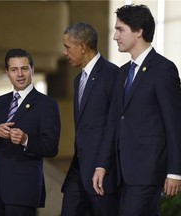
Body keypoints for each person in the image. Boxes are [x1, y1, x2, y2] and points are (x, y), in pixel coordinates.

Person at [92, 4, 181, 216]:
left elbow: (175, 123)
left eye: (120, 29)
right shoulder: (122, 73)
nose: (115, 36)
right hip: (120, 172)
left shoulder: (163, 69)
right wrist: (101, 165)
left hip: (148, 169)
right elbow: (114, 122)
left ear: (138, 31)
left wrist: (176, 171)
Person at [0, 48, 61, 216]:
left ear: (32, 69)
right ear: (7, 72)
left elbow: (51, 147)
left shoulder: (47, 104)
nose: (20, 74)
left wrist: (26, 140)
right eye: (14, 69)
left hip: (23, 191)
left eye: (24, 68)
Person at [60, 22, 119, 216]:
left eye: (68, 47)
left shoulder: (113, 75)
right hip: (78, 168)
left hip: (102, 173)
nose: (65, 53)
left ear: (83, 47)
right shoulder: (78, 80)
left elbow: (114, 125)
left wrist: (103, 164)